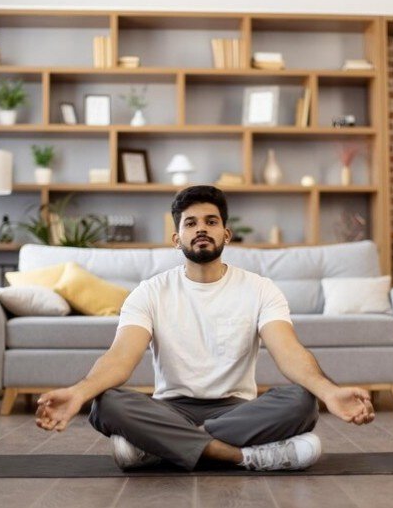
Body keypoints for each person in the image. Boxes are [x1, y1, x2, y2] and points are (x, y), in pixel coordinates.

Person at [35, 185, 375, 471]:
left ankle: (158, 447)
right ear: (176, 237)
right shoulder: (150, 292)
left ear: (225, 233)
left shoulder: (260, 288)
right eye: (191, 222)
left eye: (211, 221)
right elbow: (120, 359)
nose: (201, 228)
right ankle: (237, 456)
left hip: (238, 408)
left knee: (302, 401)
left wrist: (329, 392)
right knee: (106, 403)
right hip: (171, 407)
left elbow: (290, 353)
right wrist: (79, 393)